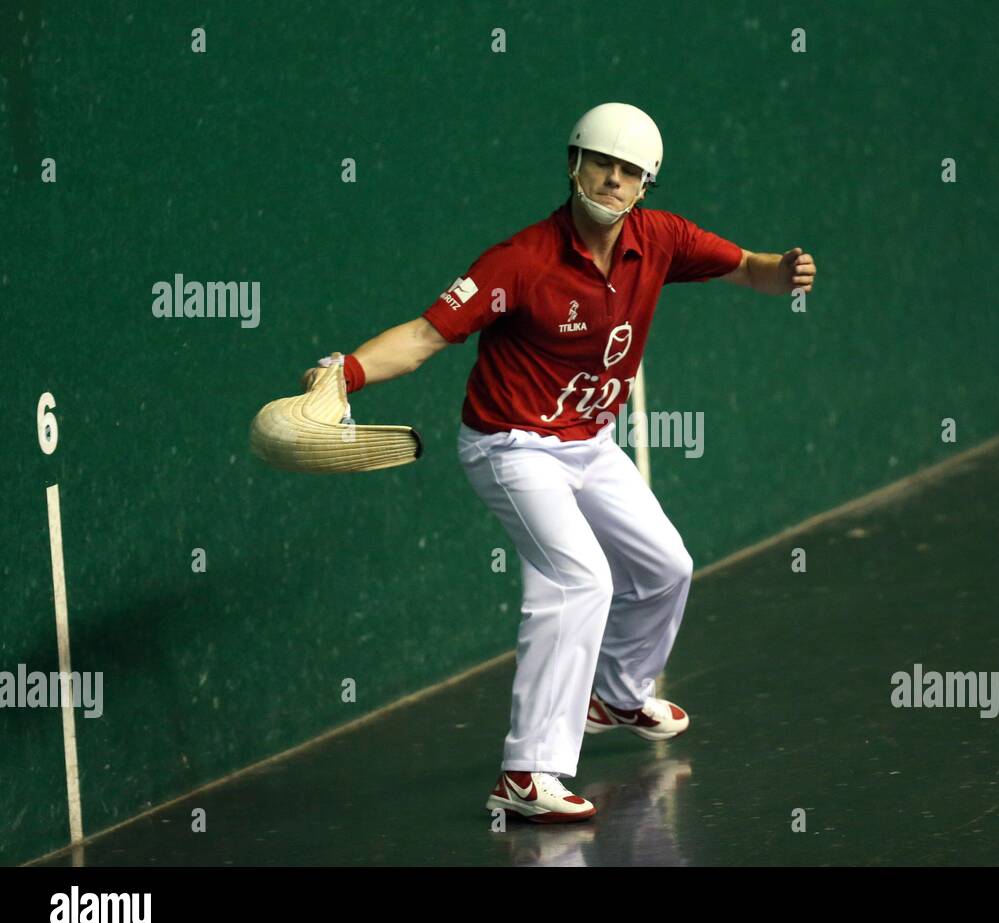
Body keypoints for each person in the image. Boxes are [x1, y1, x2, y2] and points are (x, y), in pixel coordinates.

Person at [302, 103, 816, 823]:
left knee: (668, 566)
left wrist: (784, 273)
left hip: (588, 442)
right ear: (573, 162)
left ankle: (618, 694)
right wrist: (346, 372)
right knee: (579, 580)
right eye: (601, 161)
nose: (614, 178)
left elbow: (749, 270)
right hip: (510, 445)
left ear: (646, 186)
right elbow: (424, 335)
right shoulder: (520, 261)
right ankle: (527, 772)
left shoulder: (661, 240)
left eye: (630, 171)